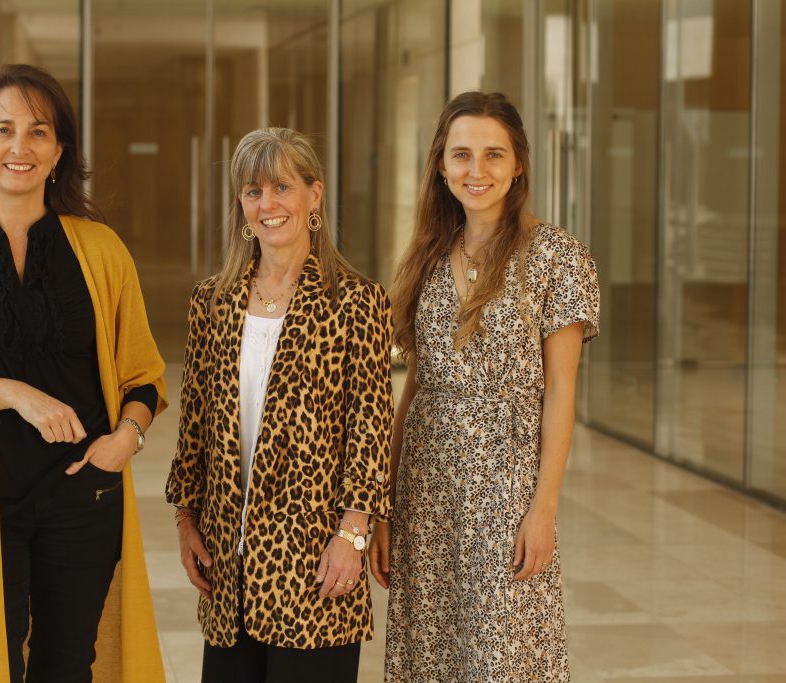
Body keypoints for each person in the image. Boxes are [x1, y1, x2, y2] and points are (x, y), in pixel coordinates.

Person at [0, 64, 167, 683]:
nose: (21, 147)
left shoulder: (100, 248)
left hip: (84, 488)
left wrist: (126, 439)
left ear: (59, 150)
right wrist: (18, 394)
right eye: (5, 130)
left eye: (39, 132)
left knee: (68, 664)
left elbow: (144, 374)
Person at [369, 91, 600, 682]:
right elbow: (416, 385)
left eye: (494, 155)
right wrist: (385, 505)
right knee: (431, 648)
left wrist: (542, 510)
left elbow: (560, 393)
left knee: (505, 651)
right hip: (427, 478)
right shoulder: (427, 254)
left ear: (519, 163)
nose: (478, 171)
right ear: (442, 167)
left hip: (507, 483)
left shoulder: (558, 257)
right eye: (462, 155)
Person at [165, 127, 393, 683]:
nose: (267, 204)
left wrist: (353, 534)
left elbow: (371, 427)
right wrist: (186, 517)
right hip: (229, 563)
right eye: (252, 191)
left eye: (281, 187)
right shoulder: (212, 301)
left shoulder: (356, 301)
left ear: (314, 195)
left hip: (315, 557)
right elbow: (194, 420)